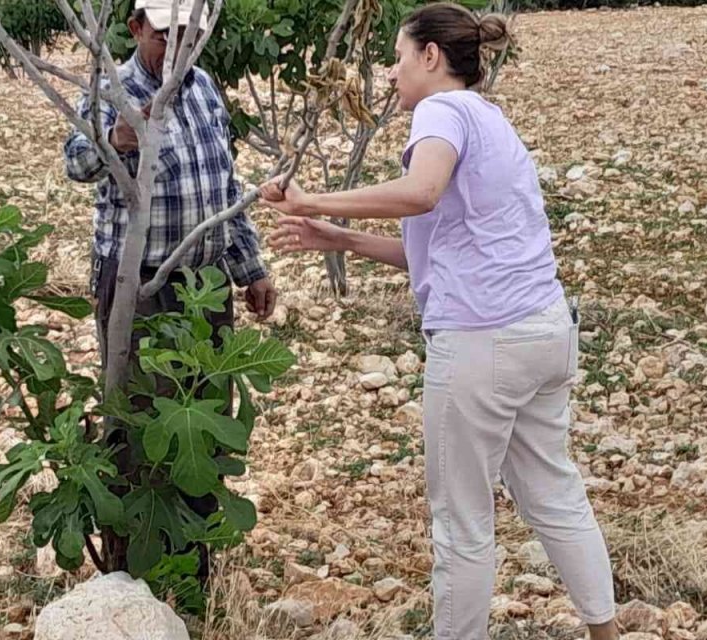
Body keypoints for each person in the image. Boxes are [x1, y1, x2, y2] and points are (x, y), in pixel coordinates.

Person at [259, 4, 618, 639]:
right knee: (554, 495)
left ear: (430, 57)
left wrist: (310, 199)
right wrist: (337, 237)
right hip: (543, 330)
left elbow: (421, 192)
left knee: (462, 524)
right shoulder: (490, 119)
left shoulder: (441, 110)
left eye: (398, 57)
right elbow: (441, 249)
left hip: (482, 344)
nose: (391, 72)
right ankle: (606, 631)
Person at [62, 0, 277, 577]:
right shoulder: (113, 89)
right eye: (165, 36)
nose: (177, 49)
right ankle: (138, 571)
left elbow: (222, 186)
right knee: (142, 425)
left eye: (188, 37)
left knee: (202, 420)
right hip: (140, 288)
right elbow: (75, 162)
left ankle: (194, 566)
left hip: (206, 285)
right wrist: (115, 139)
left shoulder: (203, 86)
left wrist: (249, 267)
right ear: (136, 28)